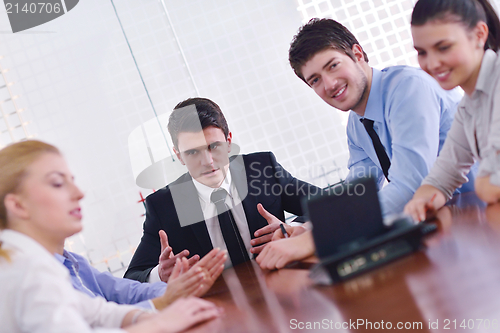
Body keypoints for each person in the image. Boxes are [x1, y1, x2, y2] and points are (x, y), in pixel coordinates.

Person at [257, 17, 468, 270]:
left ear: (357, 54)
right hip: (441, 228)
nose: (330, 84)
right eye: (315, 80)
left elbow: (411, 185)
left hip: (476, 217)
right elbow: (358, 193)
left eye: (333, 65)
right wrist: (304, 228)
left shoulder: (408, 88)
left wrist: (321, 237)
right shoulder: (357, 124)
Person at [0, 140, 221, 333]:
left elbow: (97, 312)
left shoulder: (41, 262)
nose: (79, 193)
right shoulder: (25, 269)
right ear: (18, 205)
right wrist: (160, 323)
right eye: (58, 183)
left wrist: (163, 304)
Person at [124, 97, 320, 283]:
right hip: (220, 306)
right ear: (179, 155)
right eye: (193, 152)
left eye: (214, 146)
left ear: (228, 143)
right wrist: (159, 274)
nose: (207, 161)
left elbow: (329, 207)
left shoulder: (263, 169)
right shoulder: (163, 206)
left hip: (284, 289)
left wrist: (293, 231)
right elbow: (132, 277)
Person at [405, 0, 500, 221]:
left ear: (479, 35)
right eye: (422, 52)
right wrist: (421, 203)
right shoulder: (469, 106)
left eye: (443, 47)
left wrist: (487, 183)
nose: (433, 63)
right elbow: (439, 181)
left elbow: (492, 183)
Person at [58, 246, 226, 310]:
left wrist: (175, 290)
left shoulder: (73, 260)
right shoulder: (37, 279)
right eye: (57, 184)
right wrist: (164, 300)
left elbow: (125, 291)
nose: (79, 194)